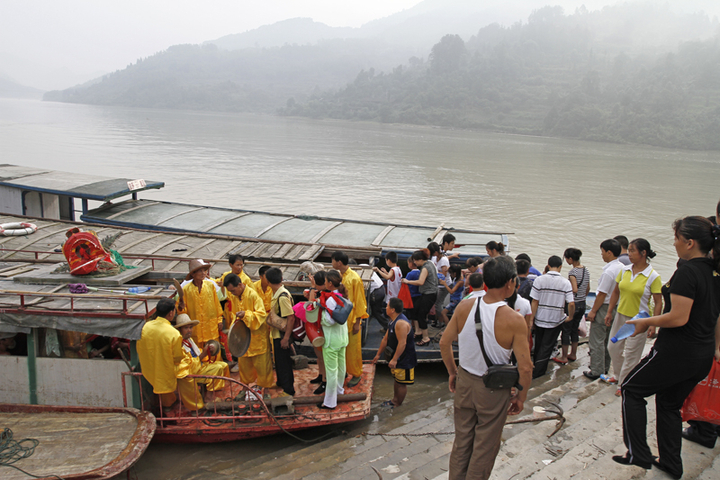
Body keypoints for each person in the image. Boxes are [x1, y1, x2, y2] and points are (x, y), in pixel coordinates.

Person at [612, 217, 720, 479]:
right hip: (701, 354)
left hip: (677, 352)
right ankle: (671, 463)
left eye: (676, 239)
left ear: (689, 243)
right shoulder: (714, 272)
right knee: (669, 404)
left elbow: (679, 317)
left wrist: (645, 321)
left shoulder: (688, 272)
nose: (674, 244)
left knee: (631, 389)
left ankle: (638, 451)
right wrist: (716, 348)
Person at [439, 256, 532, 480]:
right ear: (510, 282)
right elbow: (526, 367)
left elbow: (444, 343)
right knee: (485, 445)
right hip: (492, 389)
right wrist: (521, 397)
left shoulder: (465, 305)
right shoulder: (514, 319)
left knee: (462, 441)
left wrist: (453, 372)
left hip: (465, 381)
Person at [604, 238, 662, 395]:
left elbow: (658, 302)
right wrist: (610, 311)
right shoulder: (625, 270)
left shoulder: (652, 276)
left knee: (631, 354)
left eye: (632, 251)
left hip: (639, 320)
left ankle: (623, 384)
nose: (628, 254)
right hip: (621, 315)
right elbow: (616, 292)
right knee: (613, 347)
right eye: (628, 250)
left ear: (643, 253)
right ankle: (618, 375)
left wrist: (653, 324)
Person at [223, 273, 272, 389]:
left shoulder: (253, 295)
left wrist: (246, 315)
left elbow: (261, 315)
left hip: (257, 338)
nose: (232, 293)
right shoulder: (234, 297)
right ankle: (245, 387)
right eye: (230, 291)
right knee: (244, 366)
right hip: (243, 340)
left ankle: (265, 389)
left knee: (262, 367)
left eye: (233, 290)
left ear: (240, 285)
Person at [584, 239, 623, 380]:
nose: (601, 255)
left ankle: (596, 370)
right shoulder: (623, 268)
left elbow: (601, 294)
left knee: (597, 340)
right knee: (608, 339)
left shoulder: (609, 272)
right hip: (616, 307)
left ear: (609, 252)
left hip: (604, 307)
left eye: (602, 252)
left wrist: (593, 311)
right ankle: (605, 367)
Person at [529, 255, 574, 378]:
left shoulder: (539, 280)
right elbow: (571, 303)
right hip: (555, 319)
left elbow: (534, 301)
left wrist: (532, 318)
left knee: (539, 343)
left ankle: (535, 367)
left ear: (548, 265)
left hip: (540, 318)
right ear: (560, 267)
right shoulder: (565, 283)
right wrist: (570, 316)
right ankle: (538, 372)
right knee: (547, 345)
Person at [136, 299, 186, 411]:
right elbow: (177, 357)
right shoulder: (173, 333)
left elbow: (139, 348)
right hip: (165, 371)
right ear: (171, 313)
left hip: (148, 369)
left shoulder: (145, 327)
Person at [174, 313, 228, 411]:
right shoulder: (180, 344)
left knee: (223, 365)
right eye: (186, 328)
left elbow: (197, 353)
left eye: (190, 327)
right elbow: (190, 366)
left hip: (198, 365)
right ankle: (208, 398)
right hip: (191, 372)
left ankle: (212, 392)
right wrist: (203, 354)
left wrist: (208, 350)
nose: (189, 330)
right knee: (217, 368)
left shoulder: (189, 340)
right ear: (180, 329)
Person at [312, 269, 350, 409]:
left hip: (332, 340)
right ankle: (340, 391)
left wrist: (320, 317)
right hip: (342, 338)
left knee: (331, 371)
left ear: (329, 283)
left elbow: (330, 321)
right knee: (341, 367)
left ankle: (329, 402)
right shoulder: (341, 296)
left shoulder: (330, 299)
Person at [331, 251, 369, 388]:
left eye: (333, 261)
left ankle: (356, 373)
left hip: (352, 320)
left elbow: (359, 302)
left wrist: (358, 322)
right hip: (342, 319)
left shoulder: (354, 279)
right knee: (343, 349)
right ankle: (345, 370)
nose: (332, 263)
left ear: (339, 262)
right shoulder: (340, 276)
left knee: (353, 350)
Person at [373, 297, 417, 408]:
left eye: (387, 306)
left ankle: (398, 404)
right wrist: (378, 355)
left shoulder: (401, 323)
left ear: (392, 309)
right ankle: (394, 400)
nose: (386, 308)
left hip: (404, 358)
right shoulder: (393, 320)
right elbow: (385, 339)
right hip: (397, 357)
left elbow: (402, 343)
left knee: (402, 383)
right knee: (397, 380)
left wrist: (394, 359)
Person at [178, 259, 223, 361]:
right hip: (196, 331)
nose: (204, 273)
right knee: (198, 358)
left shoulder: (210, 285)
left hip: (211, 328)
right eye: (200, 271)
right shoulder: (186, 290)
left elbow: (217, 305)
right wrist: (181, 307)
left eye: (204, 271)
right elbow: (182, 312)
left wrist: (219, 319)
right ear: (193, 274)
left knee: (214, 356)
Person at [554, 248, 590, 364]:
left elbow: (574, 289)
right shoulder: (586, 270)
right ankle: (573, 354)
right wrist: (582, 297)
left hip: (573, 304)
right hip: (583, 303)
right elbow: (587, 288)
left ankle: (564, 356)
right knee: (575, 329)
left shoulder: (573, 272)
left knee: (566, 330)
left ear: (570, 259)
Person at [266, 267, 296, 396]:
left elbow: (290, 317)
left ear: (268, 281)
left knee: (284, 362)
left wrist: (286, 338)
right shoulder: (276, 293)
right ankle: (281, 382)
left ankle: (289, 389)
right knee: (278, 360)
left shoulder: (282, 296)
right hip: (276, 333)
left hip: (282, 334)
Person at [402, 249, 438, 347]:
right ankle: (418, 332)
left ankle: (425, 338)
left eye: (415, 261)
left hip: (429, 294)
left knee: (421, 315)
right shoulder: (430, 263)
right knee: (416, 310)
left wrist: (407, 281)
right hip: (430, 293)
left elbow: (420, 282)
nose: (414, 263)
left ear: (420, 259)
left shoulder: (425, 268)